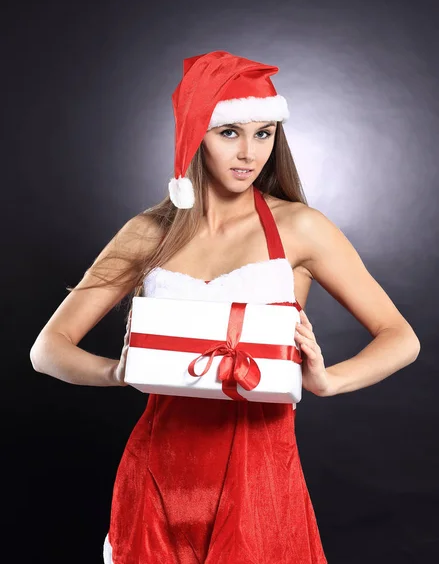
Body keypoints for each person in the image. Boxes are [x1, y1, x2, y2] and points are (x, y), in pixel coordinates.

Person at [30, 50, 420, 564]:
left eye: (263, 133)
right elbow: (47, 350)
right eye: (229, 132)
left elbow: (401, 336)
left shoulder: (301, 227)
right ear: (195, 134)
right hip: (158, 474)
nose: (249, 153)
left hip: (259, 479)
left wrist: (329, 380)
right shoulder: (148, 233)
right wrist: (119, 371)